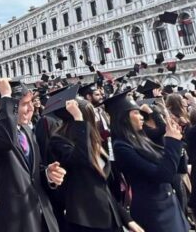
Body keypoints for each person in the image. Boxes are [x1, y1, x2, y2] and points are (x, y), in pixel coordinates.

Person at [0, 78, 66, 232]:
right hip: (14, 221)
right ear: (7, 106)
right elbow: (5, 141)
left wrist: (48, 174)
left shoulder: (26, 129)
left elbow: (32, 171)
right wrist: (6, 95)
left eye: (31, 103)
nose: (31, 109)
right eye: (24, 104)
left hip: (41, 216)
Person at [49, 99, 142, 232]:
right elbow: (80, 160)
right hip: (85, 220)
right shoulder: (59, 141)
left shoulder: (95, 142)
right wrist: (79, 119)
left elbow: (104, 187)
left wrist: (127, 219)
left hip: (109, 217)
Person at [106, 90, 188, 232]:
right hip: (154, 211)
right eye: (136, 113)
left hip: (170, 204)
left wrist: (178, 146)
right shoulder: (121, 146)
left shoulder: (142, 137)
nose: (141, 117)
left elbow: (179, 169)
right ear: (124, 117)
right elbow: (162, 175)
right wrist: (172, 143)